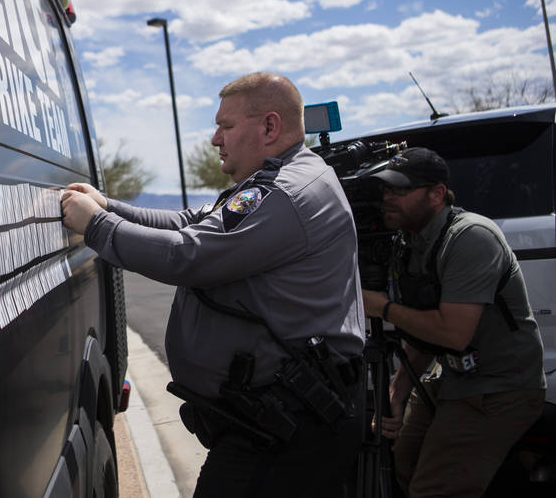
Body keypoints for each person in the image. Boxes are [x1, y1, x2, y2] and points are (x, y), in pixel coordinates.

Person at [62, 72, 365, 497]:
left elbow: (189, 255)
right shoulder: (277, 179)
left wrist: (97, 227)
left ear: (270, 127)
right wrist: (110, 207)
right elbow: (193, 223)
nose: (214, 139)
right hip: (276, 418)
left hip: (289, 425)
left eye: (226, 126)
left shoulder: (286, 192)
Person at [361, 147, 545, 497]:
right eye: (386, 190)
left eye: (400, 190)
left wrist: (384, 309)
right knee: (405, 464)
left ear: (437, 194)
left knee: (434, 489)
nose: (388, 199)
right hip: (451, 375)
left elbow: (452, 332)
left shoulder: (470, 236)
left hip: (499, 386)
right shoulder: (409, 241)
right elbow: (421, 326)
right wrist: (397, 393)